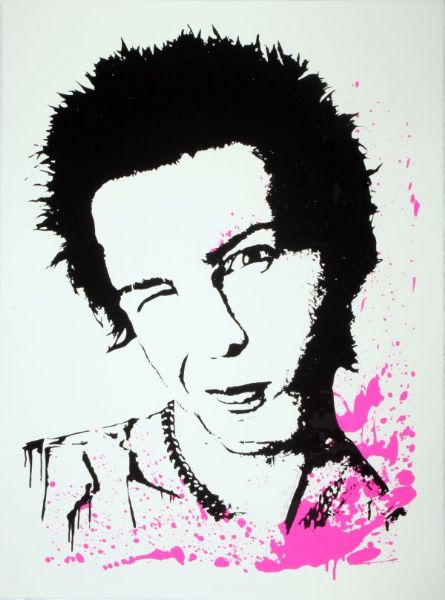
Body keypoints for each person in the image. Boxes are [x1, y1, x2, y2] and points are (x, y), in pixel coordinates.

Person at [24, 30, 406, 571]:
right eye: (153, 292)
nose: (220, 338)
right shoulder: (43, 496)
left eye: (250, 259)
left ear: (336, 251)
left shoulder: (394, 526)